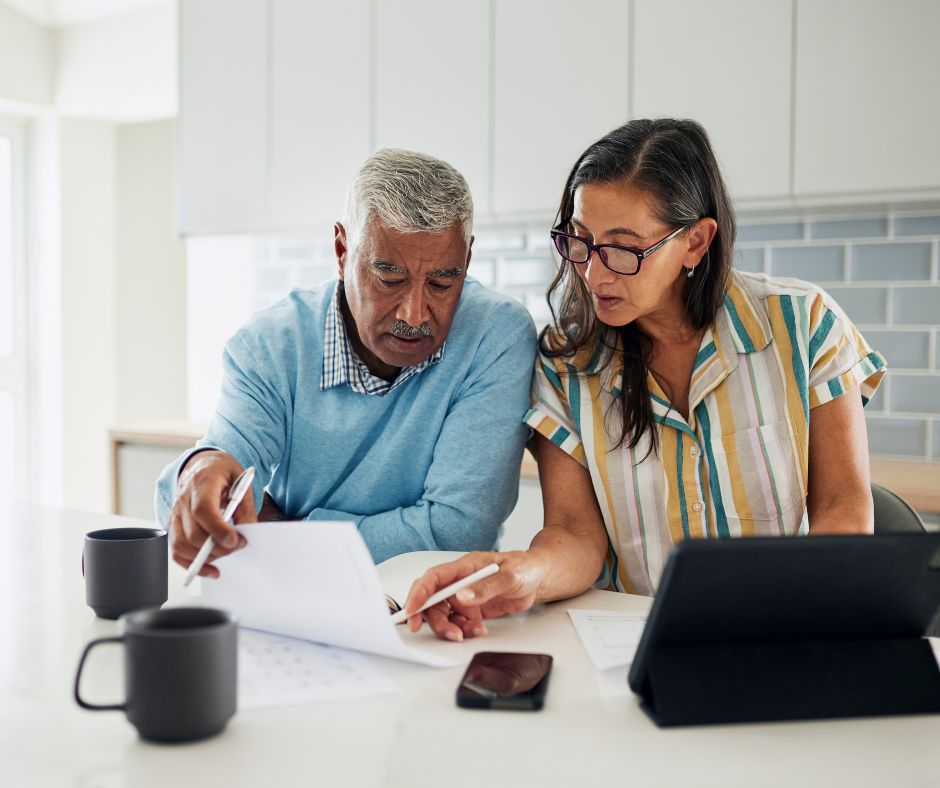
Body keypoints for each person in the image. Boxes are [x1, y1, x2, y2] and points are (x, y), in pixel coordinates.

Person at [402, 119, 886, 642]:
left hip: (781, 632)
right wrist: (521, 573)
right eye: (581, 242)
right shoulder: (566, 364)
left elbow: (843, 508)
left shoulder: (804, 325)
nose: (594, 274)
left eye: (623, 249)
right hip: (633, 641)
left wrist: (797, 607)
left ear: (695, 243)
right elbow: (575, 534)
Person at [155, 148, 536, 577]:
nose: (414, 314)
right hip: (291, 596)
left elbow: (456, 534)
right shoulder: (270, 346)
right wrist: (200, 470)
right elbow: (222, 471)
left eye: (443, 283)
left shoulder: (496, 336)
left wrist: (285, 531)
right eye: (389, 279)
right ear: (342, 250)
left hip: (438, 603)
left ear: (466, 260)